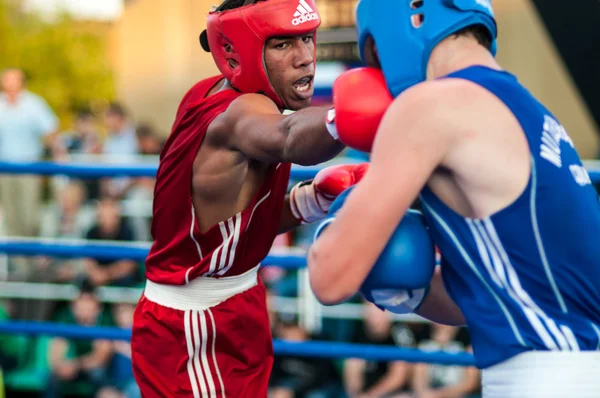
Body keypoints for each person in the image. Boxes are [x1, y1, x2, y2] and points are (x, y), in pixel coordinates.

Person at [309, 0, 600, 397]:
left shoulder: (429, 106)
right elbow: (484, 297)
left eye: (375, 51)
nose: (380, 69)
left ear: (413, 14)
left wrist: (328, 217)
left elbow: (330, 278)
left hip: (539, 377)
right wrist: (408, 289)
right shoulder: (535, 113)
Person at [131, 0, 364, 397]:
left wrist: (309, 201)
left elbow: (233, 227)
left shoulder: (208, 93)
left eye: (307, 39)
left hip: (233, 302)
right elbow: (288, 136)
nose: (305, 58)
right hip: (198, 326)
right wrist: (354, 115)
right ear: (237, 51)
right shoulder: (239, 112)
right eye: (282, 45)